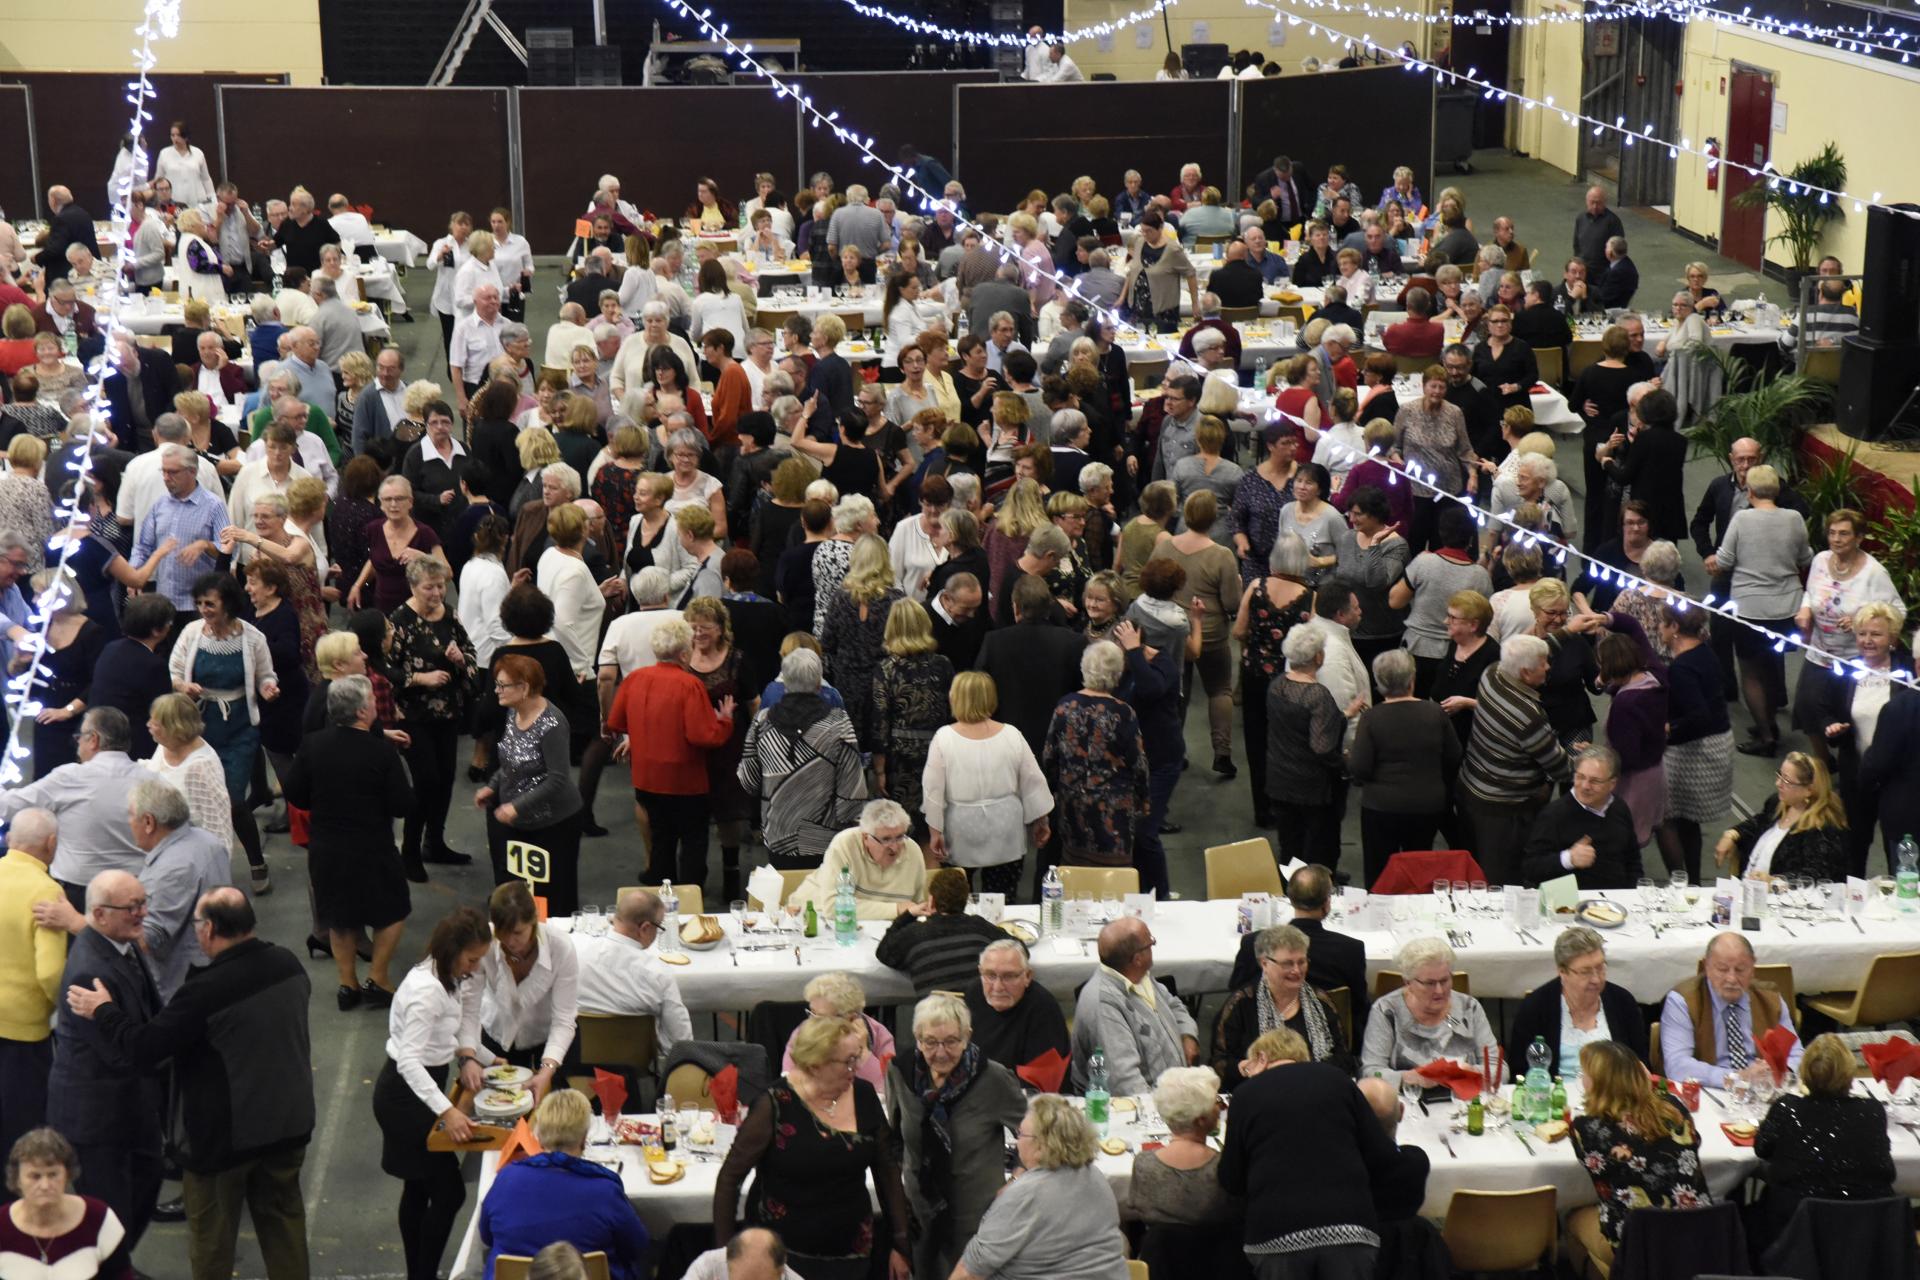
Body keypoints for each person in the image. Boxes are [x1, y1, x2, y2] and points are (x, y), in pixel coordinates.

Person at [63, 886, 312, 1279]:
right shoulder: (288, 963)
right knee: (284, 1226)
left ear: (209, 929)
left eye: (197, 924)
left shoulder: (204, 992)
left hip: (223, 1142)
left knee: (212, 1243)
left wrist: (105, 1010)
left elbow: (146, 1047)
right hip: (288, 1125)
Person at [715, 1011, 912, 1280]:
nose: (856, 1069)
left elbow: (887, 1171)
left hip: (851, 1255)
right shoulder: (775, 1103)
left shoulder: (864, 1095)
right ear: (817, 1064)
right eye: (848, 1062)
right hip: (781, 1259)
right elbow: (730, 1178)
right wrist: (726, 1256)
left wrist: (900, 1245)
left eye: (857, 1058)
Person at [45, 869, 163, 1262]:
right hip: (97, 1119)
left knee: (144, 1189)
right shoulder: (89, 970)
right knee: (111, 1218)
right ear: (99, 914)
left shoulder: (121, 946)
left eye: (143, 903)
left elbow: (150, 1013)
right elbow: (120, 1053)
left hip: (131, 1107)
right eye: (132, 907)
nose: (142, 913)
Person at [373, 906, 495, 1280]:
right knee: (448, 1192)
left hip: (423, 1086)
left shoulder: (451, 975)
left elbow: (462, 1022)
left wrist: (480, 1057)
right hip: (405, 1096)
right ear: (454, 950)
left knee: (419, 1186)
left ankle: (418, 1274)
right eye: (472, 959)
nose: (475, 967)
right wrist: (449, 1112)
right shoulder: (427, 991)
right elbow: (410, 1062)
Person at [1219, 1036, 1404, 1280]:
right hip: (1350, 1228)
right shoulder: (1338, 1080)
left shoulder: (1244, 1096)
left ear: (1262, 1059)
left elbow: (1231, 1179)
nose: (1248, 1073)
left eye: (1248, 1067)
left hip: (1276, 1236)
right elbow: (1380, 1155)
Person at [285, 675, 413, 1011]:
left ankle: (347, 984)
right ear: (361, 711)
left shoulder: (312, 745)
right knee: (393, 909)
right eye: (371, 700)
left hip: (327, 845)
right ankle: (379, 977)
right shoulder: (382, 752)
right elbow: (402, 804)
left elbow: (295, 793)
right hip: (372, 845)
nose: (375, 704)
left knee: (340, 917)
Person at [881, 991, 1027, 1280]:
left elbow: (1036, 1134)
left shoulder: (993, 1078)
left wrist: (1018, 1179)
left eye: (951, 1041)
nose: (940, 1052)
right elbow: (893, 1140)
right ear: (917, 1037)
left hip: (977, 1218)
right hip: (921, 1214)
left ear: (968, 1036)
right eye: (930, 1042)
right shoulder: (900, 1072)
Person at [170, 571, 279, 893]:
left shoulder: (252, 638)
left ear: (228, 604)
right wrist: (183, 686)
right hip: (200, 729)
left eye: (210, 603)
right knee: (196, 799)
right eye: (200, 603)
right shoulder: (191, 633)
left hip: (240, 730)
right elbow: (175, 671)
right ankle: (203, 866)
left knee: (232, 800)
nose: (204, 609)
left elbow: (265, 675)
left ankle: (256, 860)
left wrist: (268, 687)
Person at [606, 616, 734, 887]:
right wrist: (724, 720)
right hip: (685, 781)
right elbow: (704, 736)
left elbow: (615, 722)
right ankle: (690, 897)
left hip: (646, 778)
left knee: (660, 839)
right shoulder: (689, 685)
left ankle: (661, 896)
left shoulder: (635, 679)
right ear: (684, 652)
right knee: (693, 842)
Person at [1565, 1040, 1709, 1277]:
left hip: (1636, 1244)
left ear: (1599, 1083)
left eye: (1585, 1074)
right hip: (1698, 1234)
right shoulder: (1675, 1108)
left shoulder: (1586, 1128)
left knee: (1572, 1216)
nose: (1582, 1079)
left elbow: (1596, 1168)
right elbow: (1694, 1142)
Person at [478, 1089, 648, 1280]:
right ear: (584, 1138)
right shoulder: (604, 1190)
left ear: (539, 1137)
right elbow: (637, 1245)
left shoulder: (506, 1178)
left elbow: (486, 1236)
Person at [953, 1095, 1127, 1280]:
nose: (1017, 1143)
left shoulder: (1024, 1195)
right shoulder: (1095, 1176)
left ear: (1042, 1145)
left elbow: (969, 1272)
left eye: (1020, 1134)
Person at [922, 669, 1054, 898]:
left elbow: (933, 789)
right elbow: (1033, 782)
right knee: (1003, 899)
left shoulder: (944, 737)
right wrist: (1040, 820)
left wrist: (935, 830)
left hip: (960, 831)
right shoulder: (1011, 734)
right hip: (1005, 832)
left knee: (957, 898)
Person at [737, 646, 868, 868]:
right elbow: (852, 789)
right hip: (825, 837)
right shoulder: (838, 722)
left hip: (778, 832)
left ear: (785, 682)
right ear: (819, 683)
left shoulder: (762, 721)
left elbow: (748, 781)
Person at [1753, 1032, 1895, 1234]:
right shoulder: (1872, 1111)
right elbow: (1886, 1170)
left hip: (1794, 1238)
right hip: (1864, 1237)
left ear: (1805, 1072)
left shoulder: (1787, 1108)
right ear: (1850, 1074)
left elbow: (1761, 1148)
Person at [1457, 634, 1571, 885]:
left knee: (1477, 868)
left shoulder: (1492, 673)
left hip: (1473, 787)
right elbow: (1560, 767)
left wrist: (1563, 633)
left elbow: (1522, 652)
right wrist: (1582, 757)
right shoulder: (1527, 716)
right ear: (1525, 673)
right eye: (1543, 663)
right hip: (1505, 810)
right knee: (1504, 880)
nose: (1548, 667)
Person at [1714, 464, 1811, 756]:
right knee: (1771, 667)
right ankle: (1769, 719)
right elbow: (1806, 557)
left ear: (1750, 491)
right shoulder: (1794, 518)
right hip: (1786, 607)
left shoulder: (1743, 519)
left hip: (1751, 607)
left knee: (1750, 672)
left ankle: (1767, 734)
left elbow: (1725, 559)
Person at [477, 655, 586, 915]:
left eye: (502, 685)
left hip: (554, 823)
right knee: (516, 892)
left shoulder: (553, 723)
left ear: (524, 688)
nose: (496, 691)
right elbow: (509, 759)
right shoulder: (513, 712)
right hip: (519, 821)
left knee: (552, 895)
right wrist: (493, 786)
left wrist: (516, 806)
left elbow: (558, 779)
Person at [1351, 649, 1462, 886]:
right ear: (1412, 679)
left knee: (1379, 869)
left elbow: (1359, 768)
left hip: (1381, 806)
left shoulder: (1372, 718)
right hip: (1427, 804)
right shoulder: (1435, 713)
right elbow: (1454, 756)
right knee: (1418, 866)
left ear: (1379, 683)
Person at [1042, 640, 1149, 870]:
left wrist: (1051, 793)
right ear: (1117, 674)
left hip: (1072, 804)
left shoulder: (1065, 706)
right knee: (1114, 879)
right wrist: (1144, 797)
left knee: (1075, 875)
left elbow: (1050, 757)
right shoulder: (1123, 713)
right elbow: (1138, 763)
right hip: (1114, 810)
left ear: (1084, 668)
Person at [1213, 925, 1353, 1090]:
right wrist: (1246, 1067)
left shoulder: (1320, 1002)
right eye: (1287, 963)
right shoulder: (1242, 1004)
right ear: (1264, 963)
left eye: (1301, 962)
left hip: (1315, 1090)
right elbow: (1219, 1063)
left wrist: (1307, 1074)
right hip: (1258, 1093)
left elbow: (1343, 1058)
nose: (1296, 970)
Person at [1659, 932, 1804, 1089]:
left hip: (1763, 1091)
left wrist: (1776, 1072)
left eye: (1740, 969)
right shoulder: (1683, 1001)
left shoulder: (1770, 999)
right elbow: (1677, 1066)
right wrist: (1737, 1078)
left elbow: (1796, 1054)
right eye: (1722, 969)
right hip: (1711, 1093)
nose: (1732, 979)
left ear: (1753, 967)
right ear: (1707, 966)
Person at [1072, 917, 1198, 1095]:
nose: (1153, 945)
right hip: (1151, 1105)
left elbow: (1174, 1005)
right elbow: (1125, 1082)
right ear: (1137, 959)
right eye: (1151, 943)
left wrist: (1187, 1035)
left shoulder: (1138, 975)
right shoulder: (1104, 1006)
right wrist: (1168, 1113)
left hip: (1176, 1088)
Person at [0, 810, 64, 1159]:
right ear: (51, 844)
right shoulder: (46, 891)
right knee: (21, 1133)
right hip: (25, 1034)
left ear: (10, 840)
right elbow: (51, 972)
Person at [1504, 926, 1648, 1077]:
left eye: (1600, 968)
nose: (1596, 979)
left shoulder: (1623, 1002)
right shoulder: (1536, 1008)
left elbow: (1641, 1064)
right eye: (1585, 972)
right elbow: (1520, 1074)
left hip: (1613, 1097)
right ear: (1562, 972)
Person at [1360, 937, 1502, 1083]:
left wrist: (1471, 1072)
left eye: (1445, 980)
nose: (1439, 990)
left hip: (1464, 1099)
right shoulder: (1387, 1011)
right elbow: (1371, 1073)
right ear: (1408, 983)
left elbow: (1500, 1070)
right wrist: (1409, 1078)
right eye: (1429, 983)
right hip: (1409, 1100)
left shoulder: (1469, 1008)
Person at [1265, 624, 1350, 864]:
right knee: (1318, 847)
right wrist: (1344, 764)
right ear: (1319, 657)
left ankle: (1289, 891)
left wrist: (1341, 716)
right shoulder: (1318, 695)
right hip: (1310, 786)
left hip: (1280, 779)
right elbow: (1321, 746)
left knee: (1289, 845)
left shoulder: (1277, 685)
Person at [569, 889, 692, 1056]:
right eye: (659, 928)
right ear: (645, 928)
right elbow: (680, 1043)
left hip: (579, 1062)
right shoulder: (659, 974)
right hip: (635, 1065)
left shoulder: (577, 958)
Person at [0, 1127, 130, 1280]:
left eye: (53, 1174)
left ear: (68, 1175)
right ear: (17, 1180)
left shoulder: (99, 1219)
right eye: (35, 1176)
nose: (45, 1185)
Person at [1520, 744, 1645, 889]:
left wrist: (1632, 894)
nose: (1585, 786)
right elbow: (1530, 868)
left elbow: (1633, 859)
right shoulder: (1554, 815)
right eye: (1580, 777)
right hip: (1573, 902)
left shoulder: (1619, 807)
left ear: (1612, 784)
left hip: (1617, 901)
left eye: (1595, 781)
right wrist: (1568, 858)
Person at [1712, 749, 1849, 882]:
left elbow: (1818, 874)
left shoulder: (1822, 829)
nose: (1778, 784)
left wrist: (1775, 881)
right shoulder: (1778, 803)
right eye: (1779, 775)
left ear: (1809, 790)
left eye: (1787, 781)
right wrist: (1732, 834)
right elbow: (1759, 822)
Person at [792, 799, 931, 921]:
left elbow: (915, 906)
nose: (894, 847)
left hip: (878, 927)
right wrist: (896, 909)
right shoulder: (844, 844)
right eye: (886, 839)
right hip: (814, 918)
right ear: (865, 837)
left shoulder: (913, 851)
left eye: (900, 837)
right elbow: (834, 907)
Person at [876, 869, 1006, 997]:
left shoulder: (914, 934)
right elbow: (1016, 946)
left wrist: (908, 915)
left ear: (931, 900)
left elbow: (884, 953)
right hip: (975, 1012)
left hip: (933, 1014)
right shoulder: (979, 926)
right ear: (965, 900)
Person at [349, 476, 448, 615]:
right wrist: (357, 585)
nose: (393, 504)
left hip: (418, 609)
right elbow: (374, 559)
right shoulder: (373, 529)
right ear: (381, 504)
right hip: (383, 607)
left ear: (410, 502)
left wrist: (424, 558)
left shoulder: (425, 533)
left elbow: (447, 572)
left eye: (399, 498)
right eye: (388, 499)